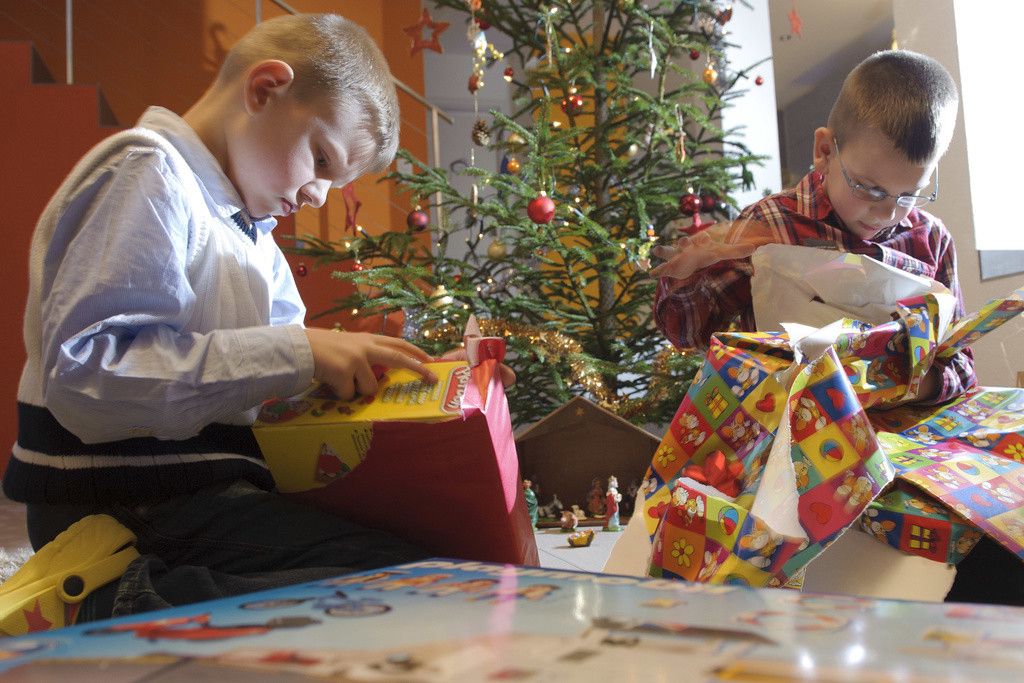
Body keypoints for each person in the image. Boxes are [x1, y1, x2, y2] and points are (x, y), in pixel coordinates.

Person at [0, 13, 498, 634]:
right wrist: (298, 352)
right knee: (400, 579)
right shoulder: (147, 173)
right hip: (113, 501)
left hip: (191, 492)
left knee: (419, 565)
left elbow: (275, 377)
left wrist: (356, 373)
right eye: (321, 159)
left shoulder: (254, 236)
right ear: (264, 90)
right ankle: (103, 604)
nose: (319, 195)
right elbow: (87, 377)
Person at [652, 49, 1023, 606]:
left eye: (909, 194)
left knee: (1003, 515)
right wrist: (702, 269)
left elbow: (959, 365)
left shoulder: (929, 239)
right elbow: (684, 332)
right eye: (870, 188)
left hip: (909, 434)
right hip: (803, 444)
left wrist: (916, 380)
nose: (887, 213)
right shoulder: (771, 226)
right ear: (825, 149)